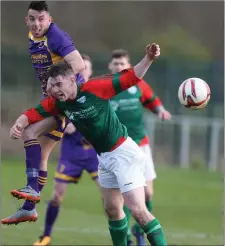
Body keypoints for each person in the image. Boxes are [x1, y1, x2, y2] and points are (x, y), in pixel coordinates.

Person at [7, 43, 167, 246]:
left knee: (137, 210)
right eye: (52, 85)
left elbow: (131, 77)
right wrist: (18, 125)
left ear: (73, 79)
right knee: (112, 210)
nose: (55, 90)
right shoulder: (60, 101)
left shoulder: (96, 87)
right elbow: (33, 113)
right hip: (105, 157)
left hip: (123, 152)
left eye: (59, 84)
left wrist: (149, 58)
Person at [0, 1, 85, 225]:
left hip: (64, 99)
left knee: (29, 132)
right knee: (43, 154)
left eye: (41, 19)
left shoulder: (56, 37)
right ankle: (29, 208)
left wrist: (56, 86)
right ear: (26, 20)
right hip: (55, 98)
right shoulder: (32, 37)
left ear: (49, 19)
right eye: (32, 19)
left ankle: (31, 191)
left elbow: (78, 65)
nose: (37, 24)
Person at [32, 55, 101, 246]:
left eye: (86, 68)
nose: (83, 71)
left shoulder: (94, 92)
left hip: (94, 153)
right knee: (56, 196)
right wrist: (63, 125)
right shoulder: (62, 94)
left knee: (111, 197)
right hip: (71, 152)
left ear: (91, 71)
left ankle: (125, 238)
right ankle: (46, 236)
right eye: (81, 68)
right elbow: (53, 115)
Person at [108, 49, 171, 246]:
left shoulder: (138, 84)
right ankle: (126, 235)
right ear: (110, 66)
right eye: (116, 64)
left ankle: (139, 227)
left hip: (141, 145)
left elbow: (153, 102)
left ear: (129, 66)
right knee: (125, 194)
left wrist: (161, 111)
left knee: (148, 193)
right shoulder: (107, 88)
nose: (119, 67)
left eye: (122, 64)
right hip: (119, 148)